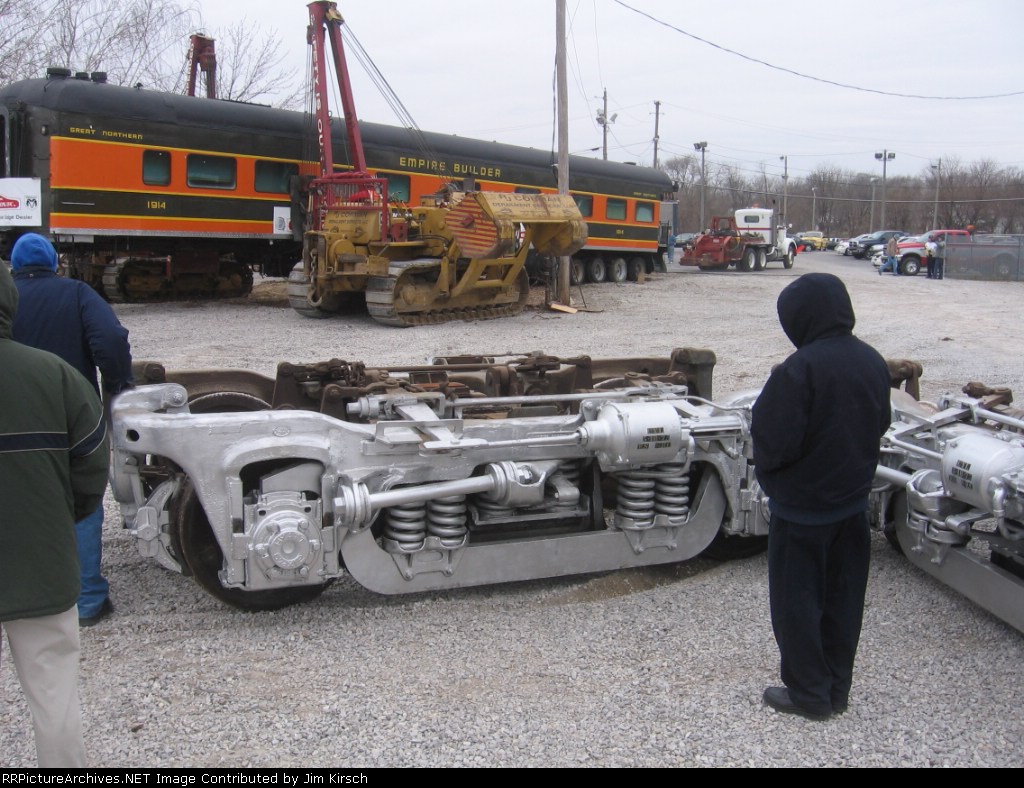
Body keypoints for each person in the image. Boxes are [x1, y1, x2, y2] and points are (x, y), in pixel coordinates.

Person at [751, 273, 892, 721]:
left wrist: (777, 482)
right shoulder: (872, 361)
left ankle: (809, 694)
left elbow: (772, 442)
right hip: (852, 508)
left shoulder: (800, 370)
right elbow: (881, 422)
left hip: (803, 514)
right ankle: (836, 689)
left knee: (798, 604)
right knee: (843, 600)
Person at [0, 261, 110, 766]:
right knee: (54, 696)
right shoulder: (55, 376)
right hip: (42, 564)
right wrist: (60, 517)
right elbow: (91, 470)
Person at [10, 233, 133, 626]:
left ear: (13, 266)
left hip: (8, 420)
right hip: (67, 416)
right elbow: (111, 339)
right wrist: (116, 384)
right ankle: (87, 601)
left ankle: (18, 595)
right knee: (81, 499)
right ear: (53, 262)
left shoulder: (6, 297)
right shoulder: (76, 293)